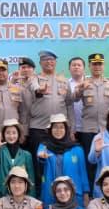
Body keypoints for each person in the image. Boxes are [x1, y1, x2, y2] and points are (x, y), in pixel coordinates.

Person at [23, 50, 75, 183]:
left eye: (52, 60)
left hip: (59, 131)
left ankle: (61, 188)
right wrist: (39, 90)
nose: (49, 62)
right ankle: (39, 191)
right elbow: (34, 88)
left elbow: (69, 105)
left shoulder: (64, 81)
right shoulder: (34, 79)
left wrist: (72, 128)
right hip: (39, 128)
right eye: (45, 60)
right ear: (40, 63)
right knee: (38, 163)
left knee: (59, 162)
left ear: (55, 62)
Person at [76, 53, 109, 184]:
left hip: (107, 130)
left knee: (108, 161)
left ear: (104, 65)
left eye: (99, 64)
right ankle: (91, 191)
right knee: (90, 162)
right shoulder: (83, 83)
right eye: (94, 64)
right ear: (89, 66)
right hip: (88, 129)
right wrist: (80, 89)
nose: (97, 67)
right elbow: (74, 98)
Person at [37, 113, 88, 201]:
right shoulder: (44, 146)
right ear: (50, 129)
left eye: (61, 127)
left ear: (66, 129)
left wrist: (86, 193)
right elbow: (40, 163)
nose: (58, 130)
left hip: (74, 196)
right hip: (51, 195)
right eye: (55, 127)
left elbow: (83, 173)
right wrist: (42, 158)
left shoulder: (77, 149)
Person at [0, 118, 34, 198]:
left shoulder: (26, 155)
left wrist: (31, 198)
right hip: (0, 195)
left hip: (20, 197)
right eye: (8, 133)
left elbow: (31, 179)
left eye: (14, 133)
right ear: (3, 135)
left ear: (19, 134)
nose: (11, 136)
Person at [66, 56, 85, 131]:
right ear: (69, 68)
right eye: (74, 65)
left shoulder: (90, 82)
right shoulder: (64, 84)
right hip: (70, 126)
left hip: (88, 127)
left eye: (79, 65)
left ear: (84, 68)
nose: (76, 67)